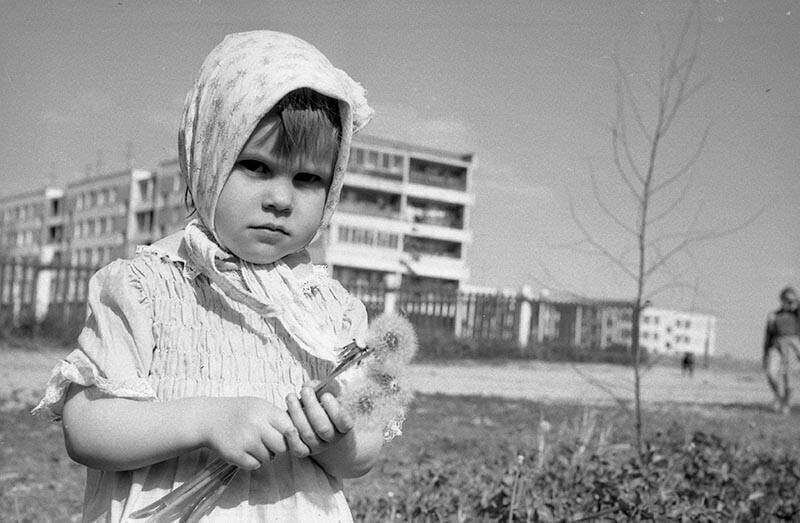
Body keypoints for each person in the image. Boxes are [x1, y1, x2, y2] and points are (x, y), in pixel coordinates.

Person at [32, 30, 393, 521]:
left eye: (308, 179)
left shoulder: (334, 310)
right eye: (256, 167)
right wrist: (206, 420)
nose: (281, 199)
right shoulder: (147, 286)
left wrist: (334, 438)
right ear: (207, 160)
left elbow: (364, 454)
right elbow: (87, 428)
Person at [763, 286, 800, 415]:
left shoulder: (797, 314)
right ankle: (778, 396)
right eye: (787, 300)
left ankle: (786, 404)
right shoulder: (774, 315)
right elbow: (768, 336)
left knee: (789, 377)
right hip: (776, 344)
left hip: (793, 345)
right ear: (781, 300)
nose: (789, 303)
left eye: (792, 301)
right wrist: (765, 353)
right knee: (771, 372)